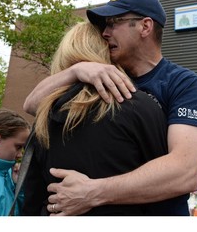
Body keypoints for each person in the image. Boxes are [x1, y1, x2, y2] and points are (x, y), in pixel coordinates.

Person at [23, 0, 197, 216]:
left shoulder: (182, 83)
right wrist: (75, 71)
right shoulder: (95, 77)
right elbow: (32, 105)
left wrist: (93, 192)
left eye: (114, 23)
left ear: (145, 26)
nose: (104, 33)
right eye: (104, 25)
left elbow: (187, 172)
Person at [22, 21, 168, 215]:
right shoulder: (139, 105)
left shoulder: (44, 118)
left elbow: (31, 195)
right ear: (107, 51)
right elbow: (163, 181)